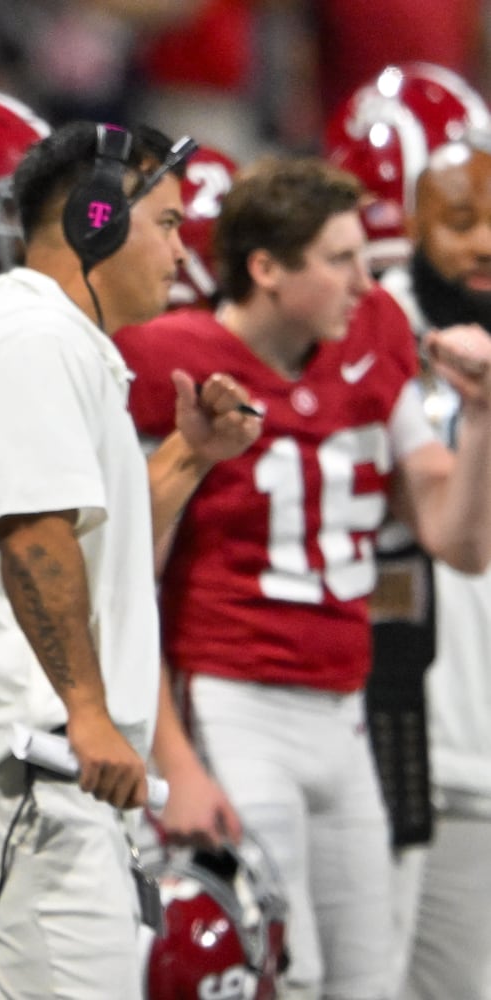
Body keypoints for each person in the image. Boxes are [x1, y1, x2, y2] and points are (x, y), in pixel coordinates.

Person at [114, 157, 491, 1000]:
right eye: (340, 260)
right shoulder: (171, 360)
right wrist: (176, 756)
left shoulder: (373, 339)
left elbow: (458, 542)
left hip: (346, 707)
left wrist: (482, 416)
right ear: (267, 269)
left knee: (366, 980)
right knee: (279, 974)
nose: (368, 280)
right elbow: (127, 577)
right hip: (235, 702)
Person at [0, 121, 259, 1000]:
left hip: (44, 774)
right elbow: (34, 539)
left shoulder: (54, 342)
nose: (185, 247)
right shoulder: (34, 344)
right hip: (36, 772)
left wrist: (186, 458)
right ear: (98, 220)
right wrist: (89, 713)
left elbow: (97, 559)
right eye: (170, 223)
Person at [373, 139, 491, 1000]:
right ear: (407, 222)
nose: (486, 242)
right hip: (431, 748)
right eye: (461, 221)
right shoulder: (373, 343)